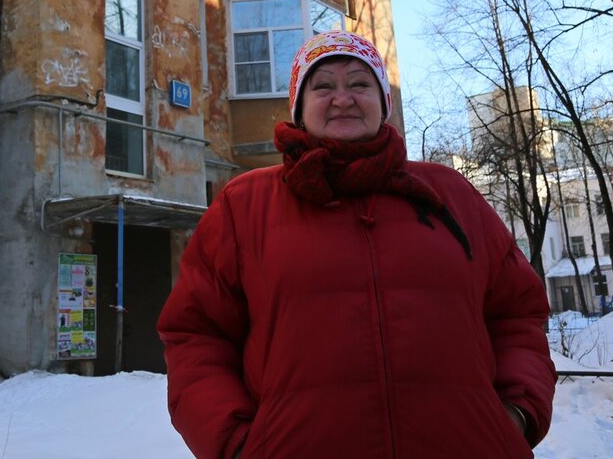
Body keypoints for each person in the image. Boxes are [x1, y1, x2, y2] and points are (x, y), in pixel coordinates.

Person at [158, 30, 556, 458]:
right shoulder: (245, 204)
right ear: (299, 107)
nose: (342, 98)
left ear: (383, 101)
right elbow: (197, 335)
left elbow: (517, 314)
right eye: (323, 85)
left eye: (360, 84)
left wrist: (515, 415)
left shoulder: (450, 195)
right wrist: (237, 445)